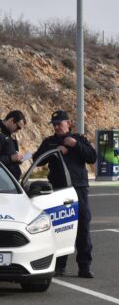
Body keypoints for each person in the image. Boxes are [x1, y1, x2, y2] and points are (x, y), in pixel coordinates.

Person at [33, 110, 97, 278]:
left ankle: (85, 266)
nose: (57, 126)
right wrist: (56, 150)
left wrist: (75, 145)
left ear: (68, 123)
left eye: (60, 123)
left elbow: (92, 157)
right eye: (54, 124)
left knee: (82, 226)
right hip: (58, 190)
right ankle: (59, 265)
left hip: (78, 188)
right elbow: (37, 159)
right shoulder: (49, 142)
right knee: (60, 227)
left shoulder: (79, 139)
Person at [0, 110, 26, 180]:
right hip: (0, 182)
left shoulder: (8, 134)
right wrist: (11, 158)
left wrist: (17, 159)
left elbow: (10, 154)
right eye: (18, 127)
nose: (18, 130)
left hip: (10, 181)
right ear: (11, 120)